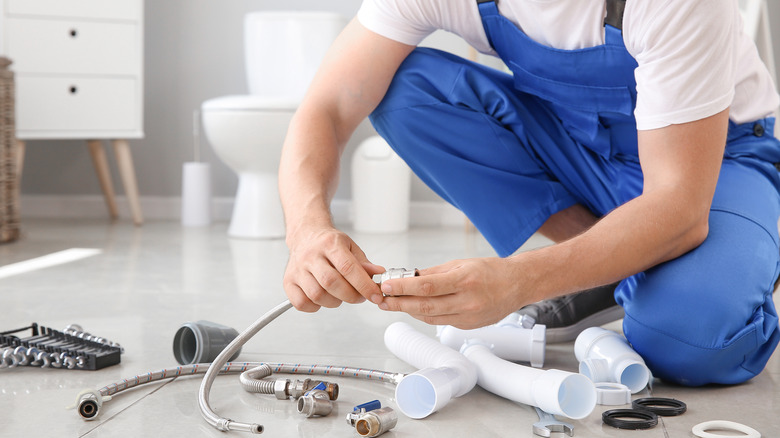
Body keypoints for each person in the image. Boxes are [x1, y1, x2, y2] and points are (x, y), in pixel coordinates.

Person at [278, 0, 780, 386]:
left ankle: (738, 252)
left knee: (688, 338)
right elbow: (325, 107)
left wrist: (517, 282)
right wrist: (307, 231)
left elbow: (679, 206)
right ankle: (616, 269)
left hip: (712, 165)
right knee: (404, 91)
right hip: (580, 144)